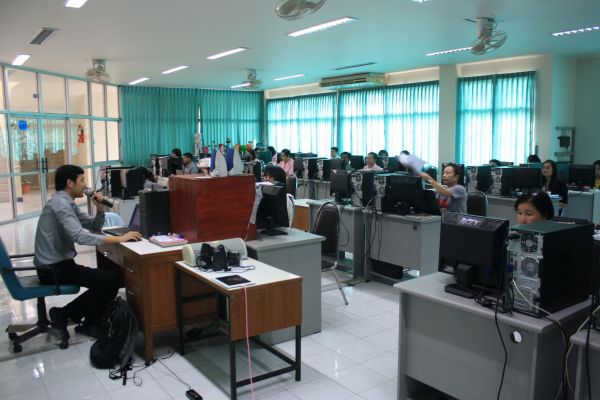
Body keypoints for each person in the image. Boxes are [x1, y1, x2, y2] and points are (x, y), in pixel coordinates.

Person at [34, 165, 142, 340]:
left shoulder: (67, 203)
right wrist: (118, 239)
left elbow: (92, 226)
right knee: (111, 279)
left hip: (60, 265)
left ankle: (66, 314)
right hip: (52, 269)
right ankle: (88, 323)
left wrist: (100, 209)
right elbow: (79, 236)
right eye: (82, 180)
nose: (85, 185)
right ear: (70, 183)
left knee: (108, 279)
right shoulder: (60, 205)